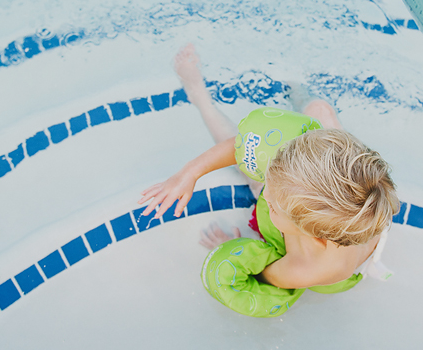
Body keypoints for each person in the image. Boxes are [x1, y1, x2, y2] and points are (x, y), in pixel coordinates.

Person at [139, 44, 398, 295]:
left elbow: (262, 277)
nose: (267, 195)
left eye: (272, 204)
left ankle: (201, 99)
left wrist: (231, 249)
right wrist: (189, 173)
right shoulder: (341, 184)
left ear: (311, 235)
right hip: (324, 208)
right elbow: (242, 148)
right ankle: (295, 83)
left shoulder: (306, 269)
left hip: (302, 250)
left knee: (252, 175)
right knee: (320, 110)